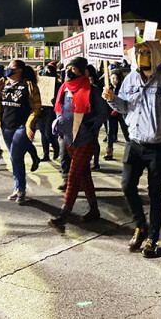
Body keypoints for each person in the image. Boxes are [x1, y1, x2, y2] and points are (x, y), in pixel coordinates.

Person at [102, 41, 161, 258]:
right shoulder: (130, 78)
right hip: (135, 144)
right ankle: (140, 226)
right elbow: (125, 107)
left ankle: (153, 237)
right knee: (127, 186)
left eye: (145, 52)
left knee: (155, 193)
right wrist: (113, 100)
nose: (141, 55)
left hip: (158, 146)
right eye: (139, 52)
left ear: (156, 55)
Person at [48, 57, 109, 233]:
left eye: (73, 68)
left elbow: (103, 113)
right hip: (68, 139)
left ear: (82, 71)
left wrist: (89, 126)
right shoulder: (64, 89)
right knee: (84, 176)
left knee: (73, 177)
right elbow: (60, 108)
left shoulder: (92, 90)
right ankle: (94, 210)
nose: (69, 71)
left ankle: (63, 216)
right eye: (67, 67)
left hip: (85, 139)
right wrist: (59, 122)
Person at [0, 59, 41, 205]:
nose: (8, 70)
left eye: (11, 68)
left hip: (22, 126)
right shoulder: (5, 84)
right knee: (16, 157)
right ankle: (18, 187)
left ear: (19, 70)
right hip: (6, 125)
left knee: (15, 156)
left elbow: (36, 108)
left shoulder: (29, 85)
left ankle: (20, 190)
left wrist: (29, 125)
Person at [104, 69, 129, 160]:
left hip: (121, 114)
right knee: (110, 132)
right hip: (111, 115)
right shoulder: (108, 88)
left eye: (115, 78)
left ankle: (130, 150)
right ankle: (109, 150)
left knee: (126, 132)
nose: (113, 79)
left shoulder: (123, 88)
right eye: (112, 77)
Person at [37, 64, 61, 162]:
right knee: (42, 132)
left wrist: (54, 101)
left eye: (50, 71)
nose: (48, 73)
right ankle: (46, 154)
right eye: (46, 71)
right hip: (42, 109)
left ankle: (56, 147)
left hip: (51, 110)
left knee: (48, 133)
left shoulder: (58, 84)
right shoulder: (40, 84)